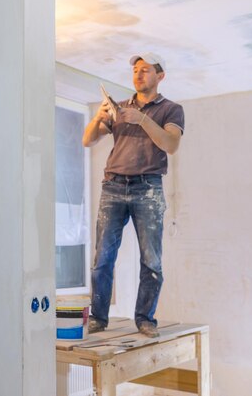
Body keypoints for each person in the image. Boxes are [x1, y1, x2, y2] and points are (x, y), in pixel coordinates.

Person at [82, 53, 184, 338]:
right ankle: (98, 318)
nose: (138, 75)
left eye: (146, 70)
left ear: (160, 76)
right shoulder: (121, 108)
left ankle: (145, 319)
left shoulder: (171, 109)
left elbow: (171, 144)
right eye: (136, 70)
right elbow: (87, 140)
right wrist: (99, 117)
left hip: (148, 188)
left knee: (151, 259)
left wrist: (141, 120)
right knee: (103, 256)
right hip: (113, 186)